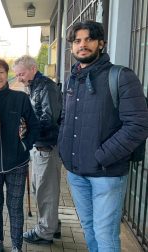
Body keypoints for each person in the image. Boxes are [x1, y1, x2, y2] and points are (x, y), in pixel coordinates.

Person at [58, 20, 148, 251]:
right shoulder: (72, 78)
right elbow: (67, 119)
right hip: (76, 172)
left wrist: (102, 156)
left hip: (106, 174)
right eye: (77, 41)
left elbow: (138, 125)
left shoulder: (121, 76)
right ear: (72, 47)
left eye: (89, 39)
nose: (82, 45)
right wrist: (63, 149)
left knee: (105, 233)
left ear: (101, 43)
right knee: (88, 227)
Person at [0, 59, 40, 252]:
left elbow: (34, 126)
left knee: (15, 208)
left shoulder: (20, 98)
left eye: (1, 72)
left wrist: (24, 145)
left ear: (8, 74)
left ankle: (16, 245)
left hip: (17, 163)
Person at [12, 55, 62, 245]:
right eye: (17, 75)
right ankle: (52, 225)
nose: (19, 79)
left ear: (33, 69)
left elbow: (49, 118)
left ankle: (45, 232)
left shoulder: (46, 86)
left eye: (21, 74)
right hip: (40, 145)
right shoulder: (35, 86)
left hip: (46, 146)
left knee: (45, 191)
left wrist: (28, 131)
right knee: (42, 188)